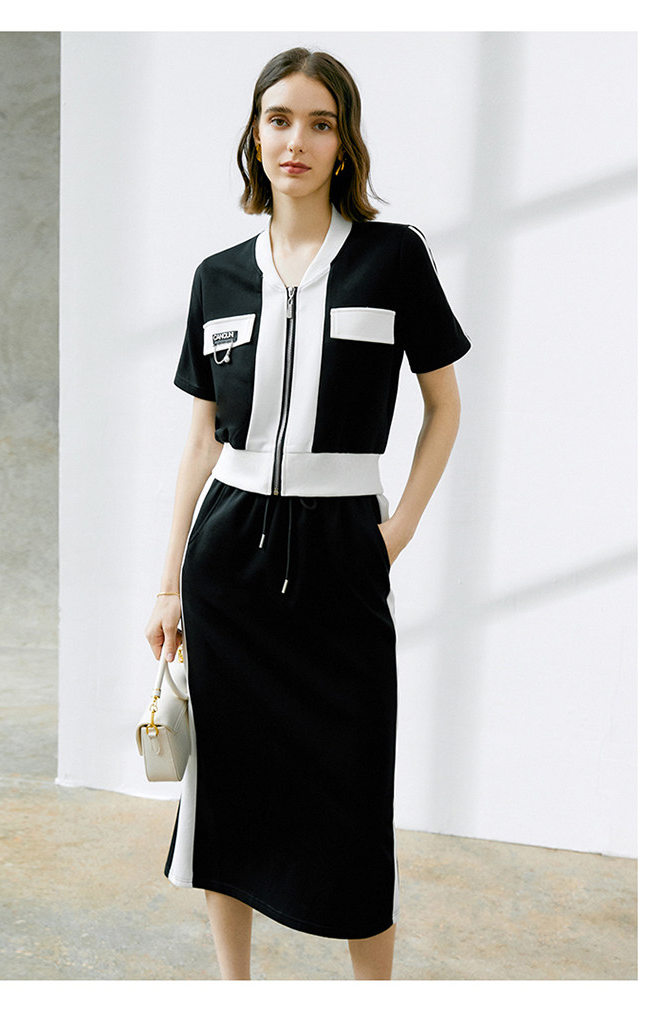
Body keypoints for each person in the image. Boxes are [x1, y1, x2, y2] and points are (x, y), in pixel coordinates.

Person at [145, 46, 470, 981]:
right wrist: (168, 582)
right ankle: (235, 991)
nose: (297, 140)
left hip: (342, 547)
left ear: (343, 143)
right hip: (229, 557)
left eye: (320, 124)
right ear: (255, 136)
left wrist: (396, 532)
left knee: (354, 789)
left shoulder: (392, 257)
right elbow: (200, 441)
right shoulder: (218, 276)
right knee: (229, 787)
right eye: (280, 120)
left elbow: (444, 407)